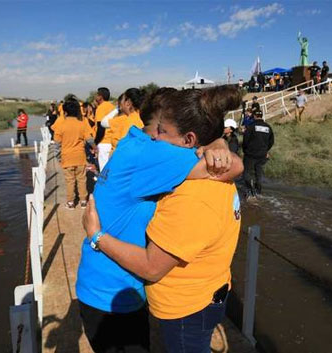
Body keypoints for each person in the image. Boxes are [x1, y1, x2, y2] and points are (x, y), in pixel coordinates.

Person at [80, 86, 243, 353]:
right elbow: (234, 166)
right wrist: (219, 144)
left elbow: (152, 267)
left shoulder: (138, 145)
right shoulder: (157, 157)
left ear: (190, 140)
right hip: (111, 294)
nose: (156, 137)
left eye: (162, 131)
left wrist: (217, 143)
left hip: (124, 292)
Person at [54, 98, 95, 209]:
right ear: (78, 110)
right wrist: (95, 148)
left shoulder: (61, 125)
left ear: (65, 112)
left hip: (66, 157)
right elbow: (89, 139)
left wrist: (58, 156)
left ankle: (71, 202)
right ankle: (83, 201)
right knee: (82, 179)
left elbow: (57, 144)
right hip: (80, 157)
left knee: (69, 181)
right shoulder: (82, 124)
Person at [242, 110, 274, 199]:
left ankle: (249, 191)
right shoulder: (268, 127)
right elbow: (271, 141)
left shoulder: (251, 126)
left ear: (254, 116)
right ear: (261, 116)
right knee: (258, 173)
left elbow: (246, 140)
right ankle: (258, 191)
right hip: (262, 155)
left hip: (250, 154)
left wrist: (245, 150)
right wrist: (265, 150)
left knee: (246, 173)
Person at [108, 88, 144, 156]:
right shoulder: (142, 118)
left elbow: (123, 148)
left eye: (122, 99)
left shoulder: (128, 122)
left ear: (128, 103)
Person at [91, 87, 116, 171]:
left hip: (104, 141)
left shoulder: (101, 108)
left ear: (100, 97)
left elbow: (101, 128)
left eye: (96, 95)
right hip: (113, 141)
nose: (95, 96)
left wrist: (95, 142)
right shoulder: (113, 107)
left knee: (104, 170)